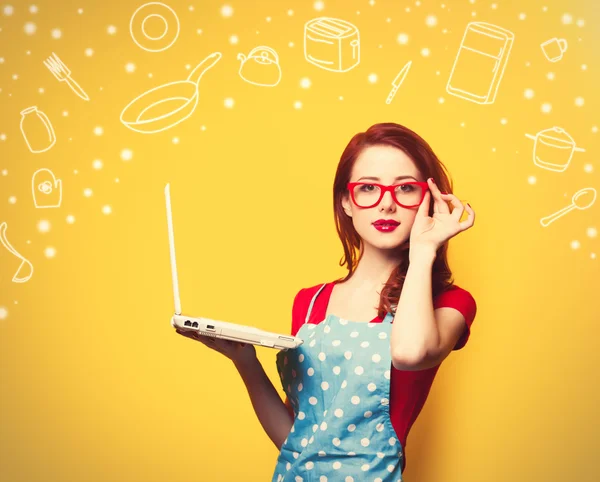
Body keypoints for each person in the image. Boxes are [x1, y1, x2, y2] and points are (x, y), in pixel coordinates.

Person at [175, 122, 477, 481]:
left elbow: (409, 354)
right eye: (368, 188)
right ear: (347, 202)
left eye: (405, 189)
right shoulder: (310, 302)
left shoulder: (450, 304)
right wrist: (245, 362)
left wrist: (425, 247)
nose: (387, 204)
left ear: (429, 201)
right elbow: (296, 440)